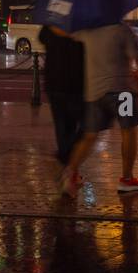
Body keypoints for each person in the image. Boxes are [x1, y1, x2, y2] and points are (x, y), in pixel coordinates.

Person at [60, 22, 138, 197]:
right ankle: (127, 179)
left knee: (90, 135)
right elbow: (137, 60)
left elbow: (66, 32)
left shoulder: (88, 29)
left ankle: (70, 172)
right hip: (122, 92)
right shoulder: (123, 30)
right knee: (128, 132)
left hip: (95, 92)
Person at [39, 25, 85, 170]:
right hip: (75, 82)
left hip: (54, 80)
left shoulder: (51, 24)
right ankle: (67, 158)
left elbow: (42, 38)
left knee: (62, 125)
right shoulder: (82, 26)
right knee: (86, 124)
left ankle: (66, 160)